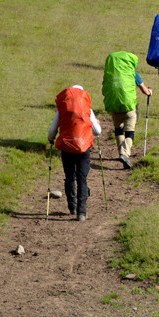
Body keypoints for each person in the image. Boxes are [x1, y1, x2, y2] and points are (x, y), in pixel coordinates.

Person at [47, 85, 102, 221]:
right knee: (82, 178)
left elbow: (52, 131)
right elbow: (97, 131)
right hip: (83, 148)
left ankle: (72, 206)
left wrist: (50, 139)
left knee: (70, 177)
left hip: (66, 148)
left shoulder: (62, 109)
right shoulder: (87, 108)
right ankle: (81, 213)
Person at [101, 51, 152, 169]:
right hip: (129, 107)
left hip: (114, 106)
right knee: (130, 131)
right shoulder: (133, 73)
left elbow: (104, 92)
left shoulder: (109, 75)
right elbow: (145, 91)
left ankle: (121, 152)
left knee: (118, 129)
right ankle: (125, 153)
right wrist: (150, 92)